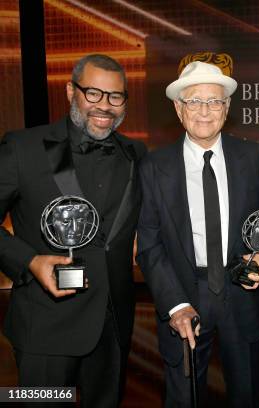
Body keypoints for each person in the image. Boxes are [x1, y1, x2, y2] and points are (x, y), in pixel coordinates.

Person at [0, 54, 147, 406]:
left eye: (115, 97)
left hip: (112, 328)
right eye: (93, 93)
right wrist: (31, 261)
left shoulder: (136, 154)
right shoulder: (23, 148)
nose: (105, 106)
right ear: (70, 91)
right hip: (44, 329)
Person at [136, 61, 259, 407]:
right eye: (194, 101)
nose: (205, 112)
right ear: (178, 109)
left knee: (248, 396)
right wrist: (176, 305)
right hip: (183, 294)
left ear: (227, 108)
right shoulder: (154, 166)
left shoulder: (253, 156)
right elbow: (149, 244)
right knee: (184, 399)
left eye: (214, 102)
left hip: (241, 294)